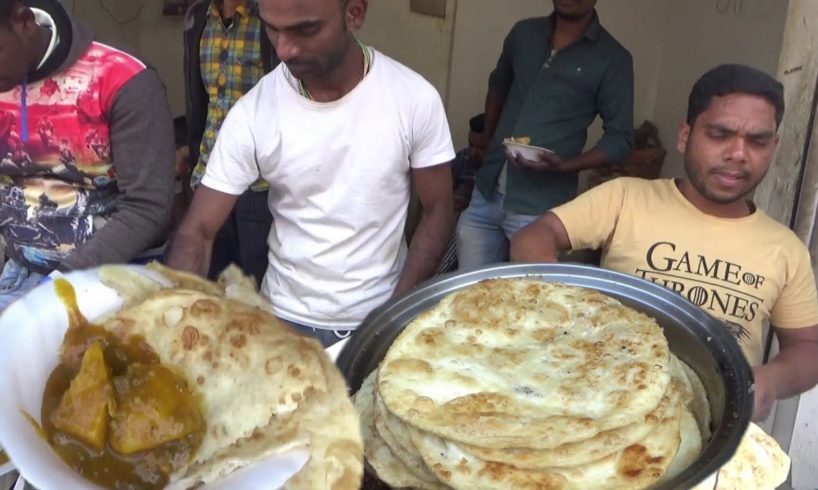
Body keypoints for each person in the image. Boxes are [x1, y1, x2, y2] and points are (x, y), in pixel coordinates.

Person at [511, 64, 818, 422]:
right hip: (604, 408)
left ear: (774, 147)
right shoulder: (625, 198)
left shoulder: (785, 248)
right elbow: (534, 236)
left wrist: (770, 380)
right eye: (720, 134)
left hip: (714, 426)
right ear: (685, 136)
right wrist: (561, 302)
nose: (738, 153)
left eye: (757, 141)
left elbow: (808, 348)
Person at [167, 0, 455, 347]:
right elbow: (198, 230)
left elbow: (438, 209)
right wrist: (173, 317)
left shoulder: (414, 100)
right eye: (273, 29)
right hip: (282, 322)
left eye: (305, 30)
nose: (285, 49)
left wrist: (394, 315)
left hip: (376, 319)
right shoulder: (253, 114)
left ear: (355, 13)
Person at [0, 0, 174, 311]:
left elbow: (147, 208)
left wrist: (58, 283)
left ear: (24, 22)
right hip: (19, 276)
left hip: (113, 283)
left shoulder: (124, 79)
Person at [456, 0, 634, 270]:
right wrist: (487, 138)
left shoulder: (613, 58)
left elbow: (621, 139)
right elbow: (498, 84)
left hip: (540, 207)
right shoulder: (524, 34)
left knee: (529, 299)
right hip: (488, 190)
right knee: (470, 289)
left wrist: (565, 165)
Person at [183, 0, 279, 286]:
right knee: (210, 289)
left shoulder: (272, 16)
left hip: (261, 185)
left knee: (254, 291)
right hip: (209, 177)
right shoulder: (198, 17)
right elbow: (200, 99)